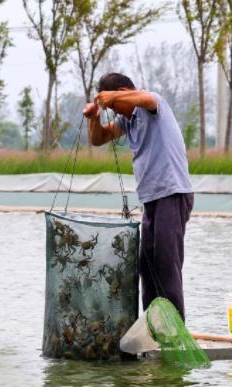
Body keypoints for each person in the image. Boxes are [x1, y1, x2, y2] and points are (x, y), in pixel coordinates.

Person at [83, 72, 194, 319]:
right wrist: (95, 117)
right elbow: (99, 139)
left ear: (124, 92)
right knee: (147, 265)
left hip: (172, 194)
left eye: (115, 106)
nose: (116, 112)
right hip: (151, 200)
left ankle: (175, 327)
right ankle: (154, 325)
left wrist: (112, 97)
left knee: (166, 264)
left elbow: (146, 99)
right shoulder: (128, 120)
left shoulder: (153, 105)